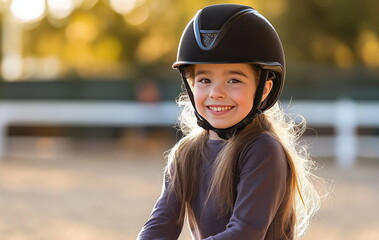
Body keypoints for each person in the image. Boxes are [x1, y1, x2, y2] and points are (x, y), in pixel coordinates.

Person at [138, 4, 321, 240]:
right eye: (204, 79)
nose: (217, 92)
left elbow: (244, 233)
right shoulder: (186, 153)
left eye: (234, 80)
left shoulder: (262, 150)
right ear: (191, 86)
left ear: (264, 89)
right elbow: (160, 225)